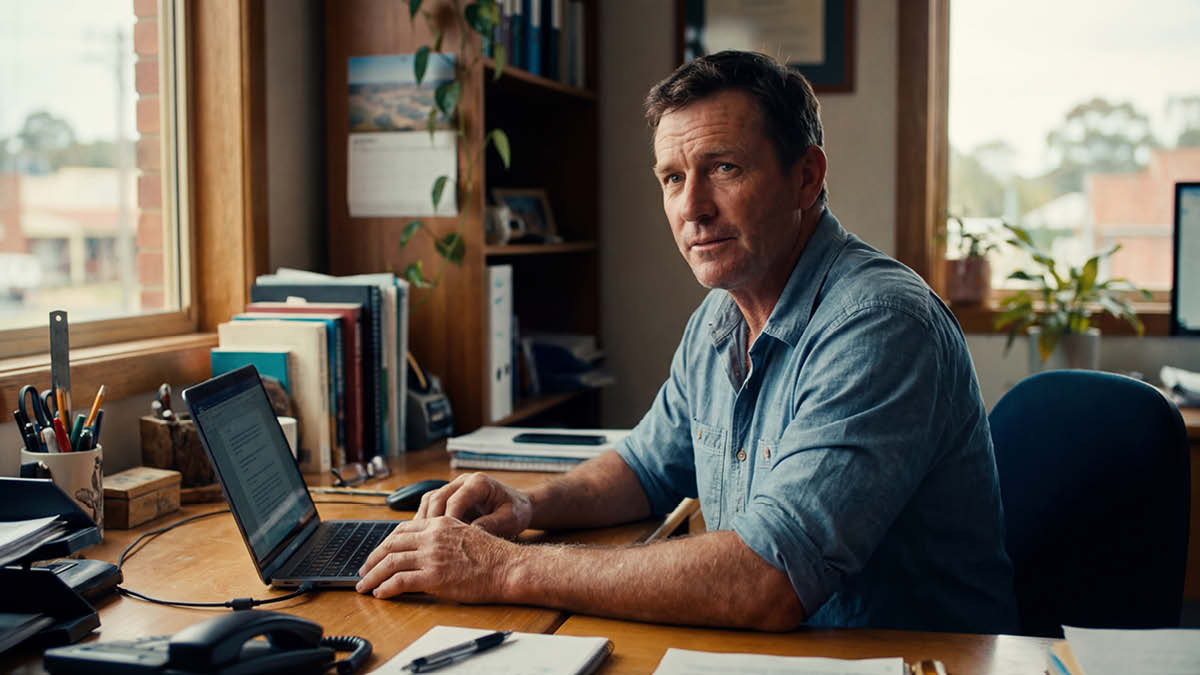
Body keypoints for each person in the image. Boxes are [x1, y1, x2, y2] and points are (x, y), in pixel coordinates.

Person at [356, 50, 1017, 633]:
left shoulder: (880, 323)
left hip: (911, 659)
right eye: (672, 177)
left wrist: (505, 569)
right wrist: (528, 504)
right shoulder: (718, 318)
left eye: (723, 168)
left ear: (808, 177)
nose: (691, 206)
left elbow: (767, 580)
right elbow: (644, 468)